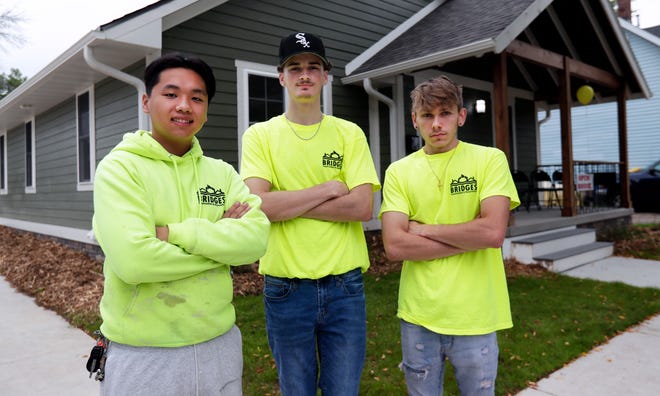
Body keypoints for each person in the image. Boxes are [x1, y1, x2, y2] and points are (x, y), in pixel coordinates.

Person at [92, 53, 270, 395]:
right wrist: (222, 250)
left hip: (220, 346)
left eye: (197, 97)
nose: (184, 105)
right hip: (145, 355)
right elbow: (134, 261)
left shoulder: (221, 172)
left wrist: (173, 233)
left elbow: (256, 239)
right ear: (147, 101)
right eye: (171, 94)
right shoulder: (120, 169)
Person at [239, 32, 381, 396]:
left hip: (344, 287)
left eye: (313, 67)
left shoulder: (349, 134)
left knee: (343, 390)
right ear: (281, 76)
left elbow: (363, 207)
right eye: (295, 67)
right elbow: (260, 206)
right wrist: (327, 189)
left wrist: (289, 204)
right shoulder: (260, 136)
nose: (305, 74)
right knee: (295, 389)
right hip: (285, 288)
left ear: (325, 76)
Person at [379, 75, 520, 396]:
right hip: (418, 315)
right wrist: (467, 237)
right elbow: (395, 245)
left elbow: (493, 232)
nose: (437, 124)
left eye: (445, 113)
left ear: (461, 116)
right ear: (415, 120)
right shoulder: (399, 171)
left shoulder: (489, 160)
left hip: (476, 316)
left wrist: (425, 229)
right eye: (427, 115)